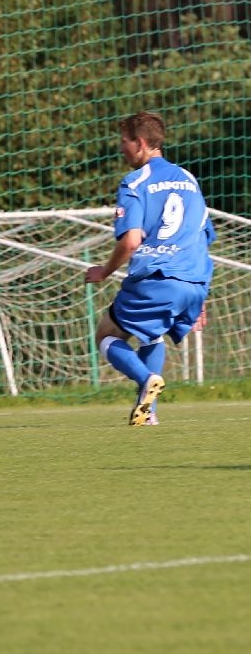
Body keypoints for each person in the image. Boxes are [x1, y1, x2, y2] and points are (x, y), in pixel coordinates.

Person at [85, 111, 214, 426]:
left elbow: (130, 242)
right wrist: (201, 297)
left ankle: (145, 379)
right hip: (193, 279)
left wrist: (104, 270)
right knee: (151, 335)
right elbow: (202, 236)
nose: (121, 148)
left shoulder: (135, 182)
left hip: (156, 276)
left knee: (106, 333)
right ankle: (148, 415)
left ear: (140, 143)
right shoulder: (188, 178)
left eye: (124, 141)